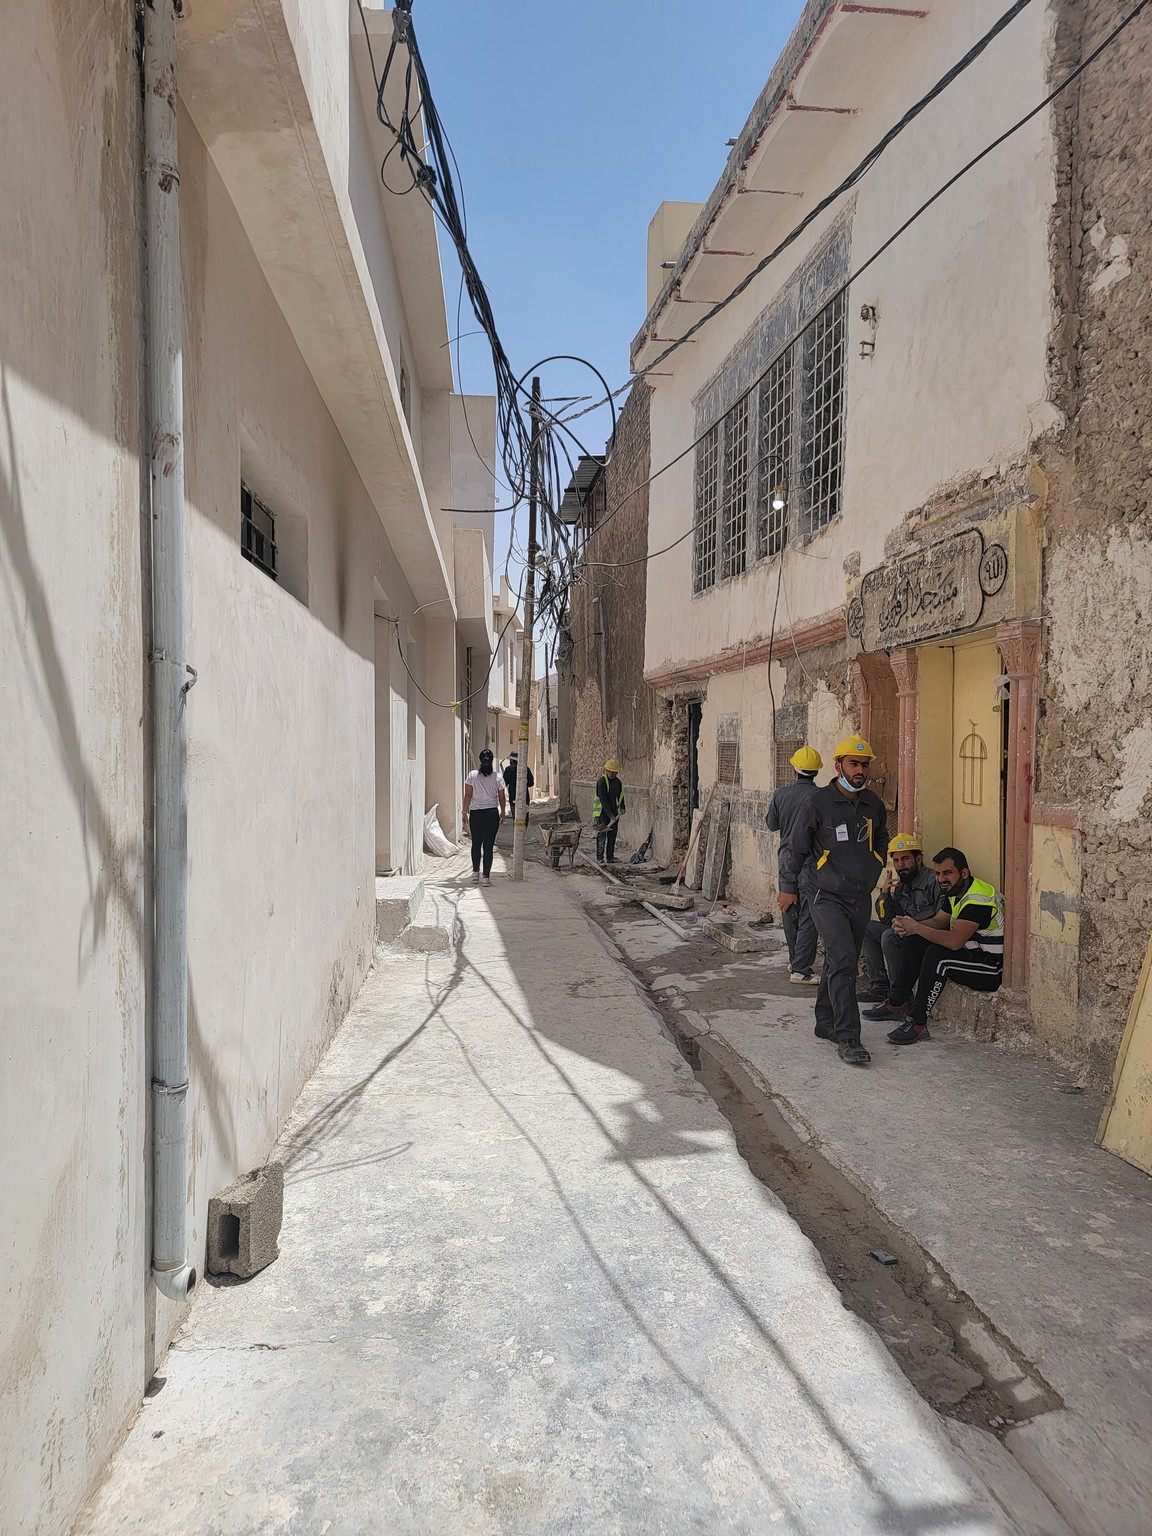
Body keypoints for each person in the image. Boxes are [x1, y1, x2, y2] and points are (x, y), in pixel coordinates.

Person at [779, 735, 888, 1066]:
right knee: (843, 960)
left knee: (840, 960)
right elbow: (795, 848)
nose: (860, 770)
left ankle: (825, 1021)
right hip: (824, 893)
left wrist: (877, 862)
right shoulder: (817, 803)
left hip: (859, 895)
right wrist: (787, 887)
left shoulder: (872, 803)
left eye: (865, 765)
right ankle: (848, 1036)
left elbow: (881, 836)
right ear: (838, 765)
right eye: (854, 764)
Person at [869, 847, 1004, 1045]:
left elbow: (954, 941)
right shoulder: (957, 890)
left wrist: (916, 927)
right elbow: (939, 922)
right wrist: (910, 926)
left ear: (964, 873)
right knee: (914, 940)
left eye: (947, 873)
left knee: (938, 956)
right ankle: (898, 1001)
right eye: (938, 873)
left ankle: (918, 1022)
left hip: (988, 968)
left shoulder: (978, 899)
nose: (941, 879)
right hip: (970, 955)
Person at [858, 834, 940, 1005]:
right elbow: (886, 918)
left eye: (905, 859)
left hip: (928, 935)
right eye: (896, 861)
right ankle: (880, 985)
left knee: (889, 935)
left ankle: (900, 998)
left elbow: (943, 919)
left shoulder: (933, 881)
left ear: (918, 859)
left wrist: (914, 927)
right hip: (908, 933)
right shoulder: (902, 884)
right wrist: (885, 894)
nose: (900, 865)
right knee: (867, 927)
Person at [765, 745, 823, 985]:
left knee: (789, 910)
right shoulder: (822, 797)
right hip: (812, 863)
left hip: (786, 861)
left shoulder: (780, 794)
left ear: (795, 770)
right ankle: (801, 968)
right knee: (810, 914)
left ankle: (794, 960)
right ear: (816, 772)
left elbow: (772, 825)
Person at [463, 748, 505, 886]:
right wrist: (503, 812)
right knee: (488, 846)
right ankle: (486, 877)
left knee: (476, 843)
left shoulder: (472, 775)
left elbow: (468, 795)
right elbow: (501, 797)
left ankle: (475, 873)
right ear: (492, 760)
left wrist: (464, 812)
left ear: (480, 760)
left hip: (476, 814)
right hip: (491, 814)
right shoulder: (497, 777)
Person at [593, 760, 626, 863]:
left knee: (612, 835)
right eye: (610, 771)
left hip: (614, 813)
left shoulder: (618, 783)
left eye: (614, 772)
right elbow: (603, 800)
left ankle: (610, 857)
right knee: (602, 835)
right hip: (602, 813)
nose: (612, 774)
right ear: (606, 770)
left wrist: (622, 807)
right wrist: (610, 815)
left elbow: (620, 796)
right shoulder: (602, 782)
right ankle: (600, 858)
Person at [503, 751, 534, 825]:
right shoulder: (526, 768)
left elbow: (504, 783)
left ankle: (516, 835)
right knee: (524, 820)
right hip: (524, 798)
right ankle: (523, 834)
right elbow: (531, 784)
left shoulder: (508, 769)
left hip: (513, 798)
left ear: (513, 760)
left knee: (516, 819)